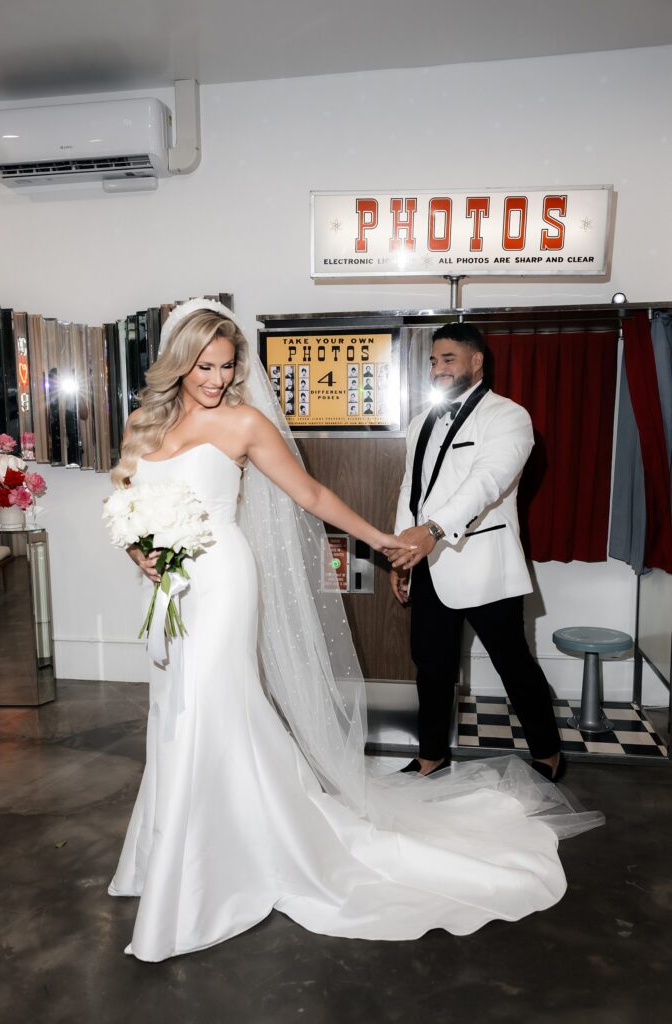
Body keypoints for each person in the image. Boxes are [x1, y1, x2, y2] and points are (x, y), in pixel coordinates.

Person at [108, 300, 600, 962]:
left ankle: (199, 874)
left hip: (222, 582)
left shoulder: (244, 423)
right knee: (175, 710)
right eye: (205, 367)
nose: (217, 380)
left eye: (227, 367)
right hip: (169, 585)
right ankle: (177, 847)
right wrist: (139, 549)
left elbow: (310, 496)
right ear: (177, 362)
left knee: (205, 704)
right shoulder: (142, 423)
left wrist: (383, 542)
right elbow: (126, 498)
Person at [388, 323, 564, 780]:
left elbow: (487, 482)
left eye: (448, 359)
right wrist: (401, 548)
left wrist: (431, 529)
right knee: (431, 666)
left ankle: (547, 752)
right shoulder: (420, 422)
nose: (438, 368)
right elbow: (412, 488)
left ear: (476, 361)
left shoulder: (509, 416)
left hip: (484, 565)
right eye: (433, 360)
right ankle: (432, 755)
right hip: (427, 560)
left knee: (514, 666)